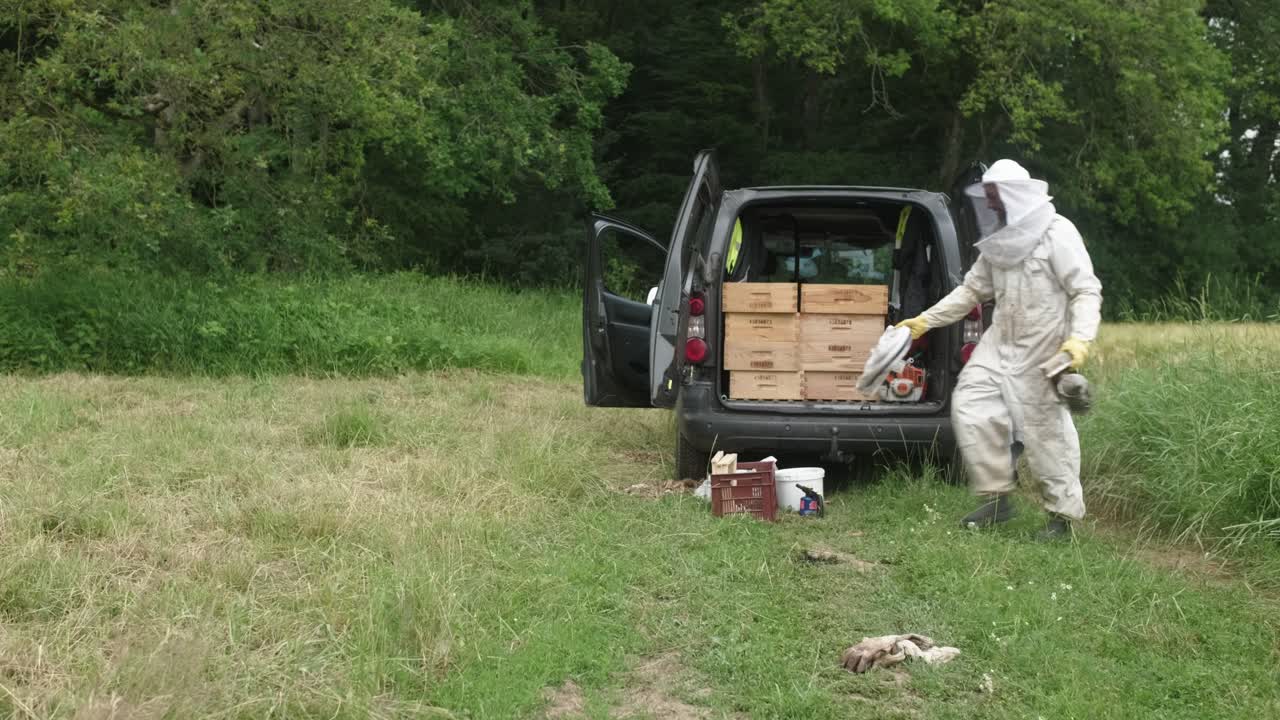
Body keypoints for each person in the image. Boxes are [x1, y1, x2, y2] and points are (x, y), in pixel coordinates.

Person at [896, 159, 1102, 539]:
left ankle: (1062, 519)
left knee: (1046, 434)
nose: (989, 205)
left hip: (1043, 349)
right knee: (971, 406)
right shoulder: (1000, 242)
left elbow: (1085, 290)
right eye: (986, 197)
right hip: (999, 343)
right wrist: (924, 320)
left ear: (1014, 195)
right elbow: (972, 291)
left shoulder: (1058, 233)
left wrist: (1079, 341)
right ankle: (997, 499)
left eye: (993, 197)